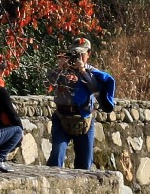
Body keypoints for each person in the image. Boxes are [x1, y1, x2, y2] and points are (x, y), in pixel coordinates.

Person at [46, 36, 116, 170]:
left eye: (81, 54)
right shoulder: (63, 70)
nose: (78, 57)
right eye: (75, 53)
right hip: (62, 117)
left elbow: (95, 88)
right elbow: (48, 84)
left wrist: (83, 71)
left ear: (88, 54)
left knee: (85, 163)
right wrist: (59, 69)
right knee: (57, 156)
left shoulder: (91, 72)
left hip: (84, 119)